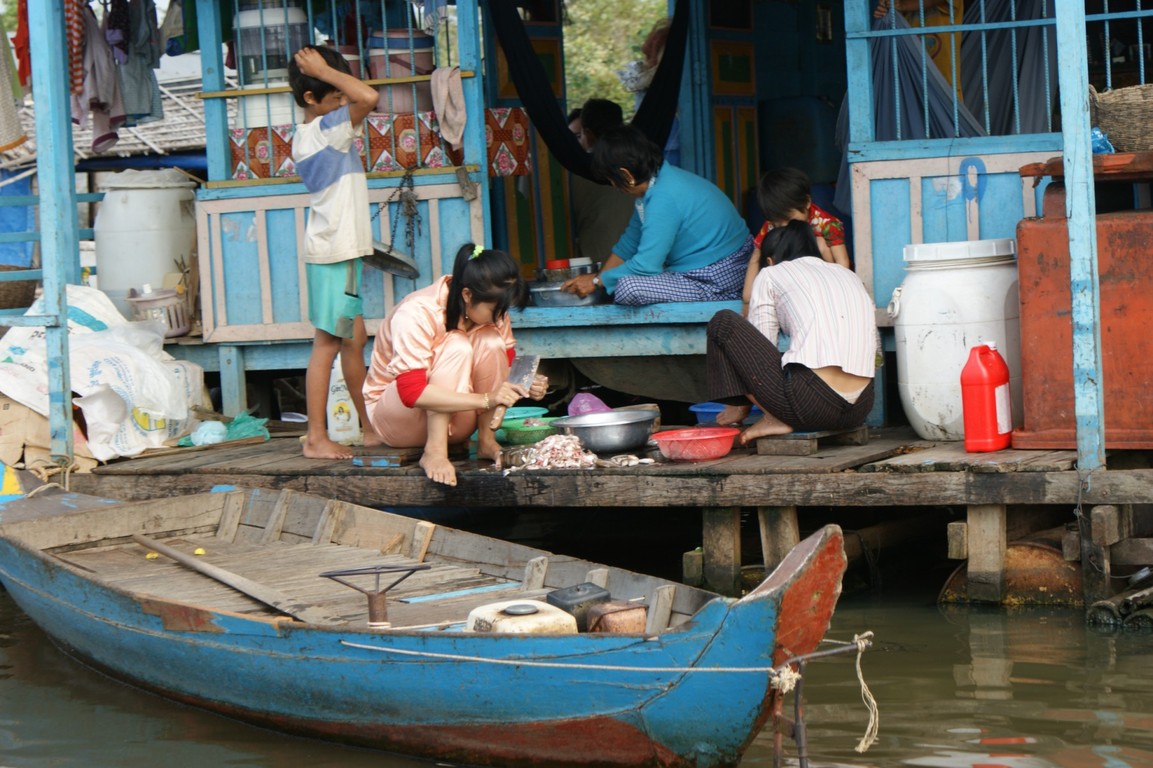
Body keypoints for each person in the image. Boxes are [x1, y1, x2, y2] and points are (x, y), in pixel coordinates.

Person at [363, 243, 548, 487]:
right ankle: (435, 452)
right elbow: (411, 393)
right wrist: (486, 399)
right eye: (497, 310)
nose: (502, 316)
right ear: (467, 295)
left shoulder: (493, 311)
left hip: (459, 424)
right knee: (456, 344)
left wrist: (528, 382)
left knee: (491, 340)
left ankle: (486, 440)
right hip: (399, 423)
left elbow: (506, 364)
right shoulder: (416, 312)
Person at [288, 45, 383, 459]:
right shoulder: (326, 130)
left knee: (353, 339)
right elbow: (369, 97)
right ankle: (315, 437)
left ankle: (370, 429)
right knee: (328, 343)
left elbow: (358, 96)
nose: (345, 101)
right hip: (334, 254)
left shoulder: (318, 131)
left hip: (339, 253)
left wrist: (327, 75)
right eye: (334, 95)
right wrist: (325, 69)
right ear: (312, 100)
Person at [707, 220, 877, 445]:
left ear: (769, 260)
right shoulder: (849, 275)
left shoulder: (771, 274)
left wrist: (742, 402)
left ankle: (766, 415)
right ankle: (774, 412)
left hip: (809, 407)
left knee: (723, 322)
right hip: (860, 409)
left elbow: (759, 348)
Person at [561, 124, 752, 306]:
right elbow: (628, 245)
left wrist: (596, 282)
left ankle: (721, 296)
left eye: (612, 180)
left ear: (626, 175)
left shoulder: (664, 196)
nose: (613, 187)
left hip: (719, 277)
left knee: (629, 287)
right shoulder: (654, 187)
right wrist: (599, 280)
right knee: (619, 281)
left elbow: (646, 266)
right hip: (698, 270)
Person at [743, 167, 850, 312]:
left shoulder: (826, 224)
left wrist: (838, 293)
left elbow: (842, 262)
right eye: (778, 224)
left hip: (822, 283)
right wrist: (747, 301)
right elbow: (756, 258)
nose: (785, 228)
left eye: (789, 220)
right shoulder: (770, 226)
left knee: (821, 244)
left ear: (806, 202)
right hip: (788, 286)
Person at [567, 98, 634, 266]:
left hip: (598, 264)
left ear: (588, 135)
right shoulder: (639, 167)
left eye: (580, 135)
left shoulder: (574, 174)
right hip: (638, 263)